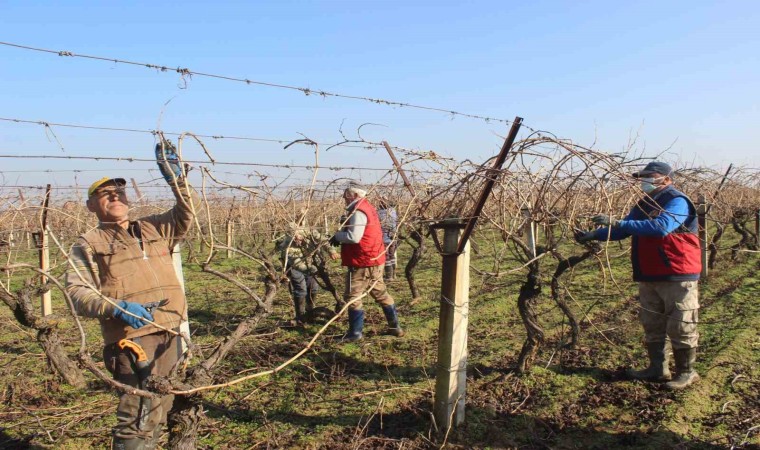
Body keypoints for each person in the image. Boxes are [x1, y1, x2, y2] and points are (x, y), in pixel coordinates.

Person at [65, 140, 199, 450]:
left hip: (171, 330)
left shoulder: (153, 228)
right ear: (91, 206)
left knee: (163, 407)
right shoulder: (88, 243)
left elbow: (186, 214)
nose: (115, 197)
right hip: (131, 340)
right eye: (105, 194)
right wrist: (115, 307)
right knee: (137, 417)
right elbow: (75, 291)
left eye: (119, 192)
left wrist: (177, 182)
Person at [578, 161, 701, 390]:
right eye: (642, 176)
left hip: (677, 272)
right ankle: (658, 368)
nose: (644, 180)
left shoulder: (677, 200)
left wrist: (617, 221)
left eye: (649, 176)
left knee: (681, 323)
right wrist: (594, 234)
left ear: (665, 178)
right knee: (653, 323)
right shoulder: (645, 202)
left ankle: (686, 372)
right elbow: (624, 229)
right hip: (649, 273)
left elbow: (661, 227)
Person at [329, 182, 404, 341]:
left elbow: (354, 237)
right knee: (380, 292)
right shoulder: (368, 207)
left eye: (346, 196)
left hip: (362, 261)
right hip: (375, 258)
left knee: (353, 296)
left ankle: (355, 333)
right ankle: (395, 327)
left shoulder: (358, 211)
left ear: (354, 195)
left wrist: (337, 236)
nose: (344, 199)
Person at [277, 222, 339, 325]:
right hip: (295, 268)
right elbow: (282, 254)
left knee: (313, 288)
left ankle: (310, 312)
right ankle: (300, 316)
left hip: (312, 266)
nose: (297, 238)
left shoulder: (310, 233)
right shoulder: (286, 243)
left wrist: (331, 251)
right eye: (294, 237)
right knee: (300, 290)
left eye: (298, 235)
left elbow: (323, 241)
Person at [377, 198, 399, 281]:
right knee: (392, 255)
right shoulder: (393, 211)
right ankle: (394, 274)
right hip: (393, 237)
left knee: (386, 257)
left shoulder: (380, 213)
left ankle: (389, 276)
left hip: (384, 238)